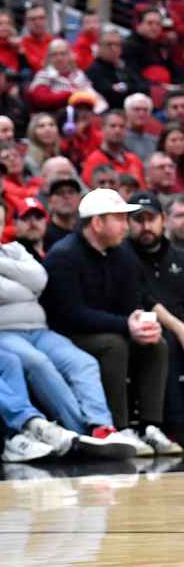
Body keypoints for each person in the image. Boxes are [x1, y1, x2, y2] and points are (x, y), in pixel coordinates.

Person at [0, 194, 137, 457]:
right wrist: (25, 286)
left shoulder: (14, 249)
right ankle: (79, 433)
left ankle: (102, 428)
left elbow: (41, 279)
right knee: (37, 362)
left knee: (82, 362)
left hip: (39, 331)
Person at [41, 188, 173, 451]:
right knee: (115, 345)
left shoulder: (124, 255)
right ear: (98, 223)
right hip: (67, 336)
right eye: (120, 219)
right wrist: (126, 325)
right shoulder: (62, 256)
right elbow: (72, 315)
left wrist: (139, 321)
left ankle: (149, 426)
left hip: (110, 328)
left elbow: (130, 303)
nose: (127, 226)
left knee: (156, 343)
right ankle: (119, 427)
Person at [125, 191, 184, 448]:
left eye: (151, 219)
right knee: (166, 341)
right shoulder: (124, 256)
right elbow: (143, 298)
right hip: (144, 329)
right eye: (139, 220)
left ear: (163, 220)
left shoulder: (179, 256)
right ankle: (174, 428)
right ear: (128, 223)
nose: (146, 226)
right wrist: (179, 328)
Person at [85, 26, 152, 111]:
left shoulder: (124, 67)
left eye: (117, 44)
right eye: (109, 44)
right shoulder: (95, 70)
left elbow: (144, 88)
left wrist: (124, 86)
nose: (114, 48)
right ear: (100, 46)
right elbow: (112, 96)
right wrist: (128, 87)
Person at [80, 110, 144, 190]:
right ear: (103, 129)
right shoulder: (94, 160)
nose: (118, 130)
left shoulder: (135, 160)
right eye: (113, 126)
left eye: (122, 127)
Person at [124, 92, 159, 160]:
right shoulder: (118, 139)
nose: (141, 113)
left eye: (145, 110)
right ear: (126, 112)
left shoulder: (154, 142)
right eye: (137, 109)